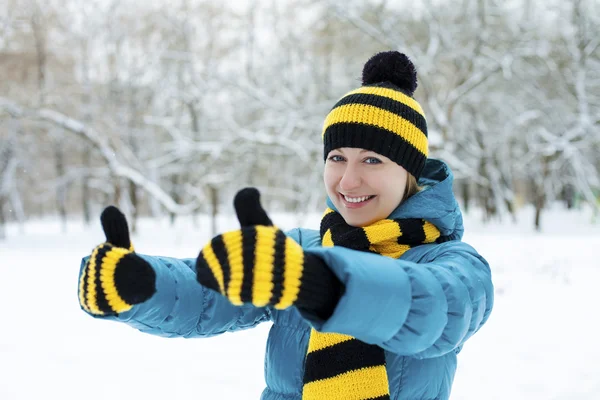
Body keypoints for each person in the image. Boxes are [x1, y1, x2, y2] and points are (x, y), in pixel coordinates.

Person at [78, 51, 494, 400]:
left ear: (409, 172)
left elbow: (436, 308)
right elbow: (206, 296)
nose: (348, 181)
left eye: (372, 160)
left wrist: (325, 286)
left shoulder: (453, 262)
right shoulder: (301, 251)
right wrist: (139, 285)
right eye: (337, 158)